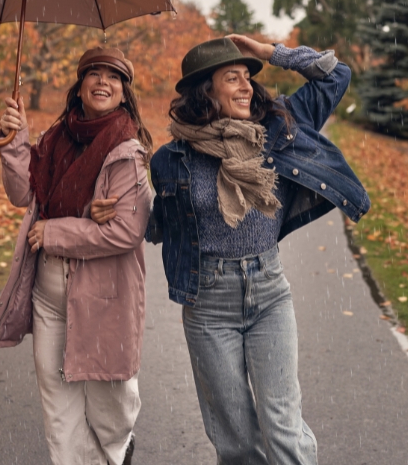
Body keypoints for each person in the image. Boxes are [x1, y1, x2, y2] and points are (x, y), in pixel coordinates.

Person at [141, 35, 370, 464]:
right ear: (205, 91)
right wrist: (115, 213)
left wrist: (272, 53)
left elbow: (336, 75)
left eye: (248, 78)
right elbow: (163, 222)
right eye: (232, 78)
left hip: (268, 293)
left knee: (282, 431)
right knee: (238, 441)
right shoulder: (172, 158)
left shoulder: (280, 126)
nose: (246, 86)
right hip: (208, 304)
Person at [0, 46, 152, 465]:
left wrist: (54, 232)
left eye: (113, 76)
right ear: (80, 84)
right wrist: (14, 140)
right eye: (94, 73)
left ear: (124, 93)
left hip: (104, 294)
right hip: (48, 295)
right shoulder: (56, 139)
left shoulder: (128, 152)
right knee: (60, 411)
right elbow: (22, 193)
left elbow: (126, 229)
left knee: (112, 406)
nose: (103, 82)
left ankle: (118, 450)